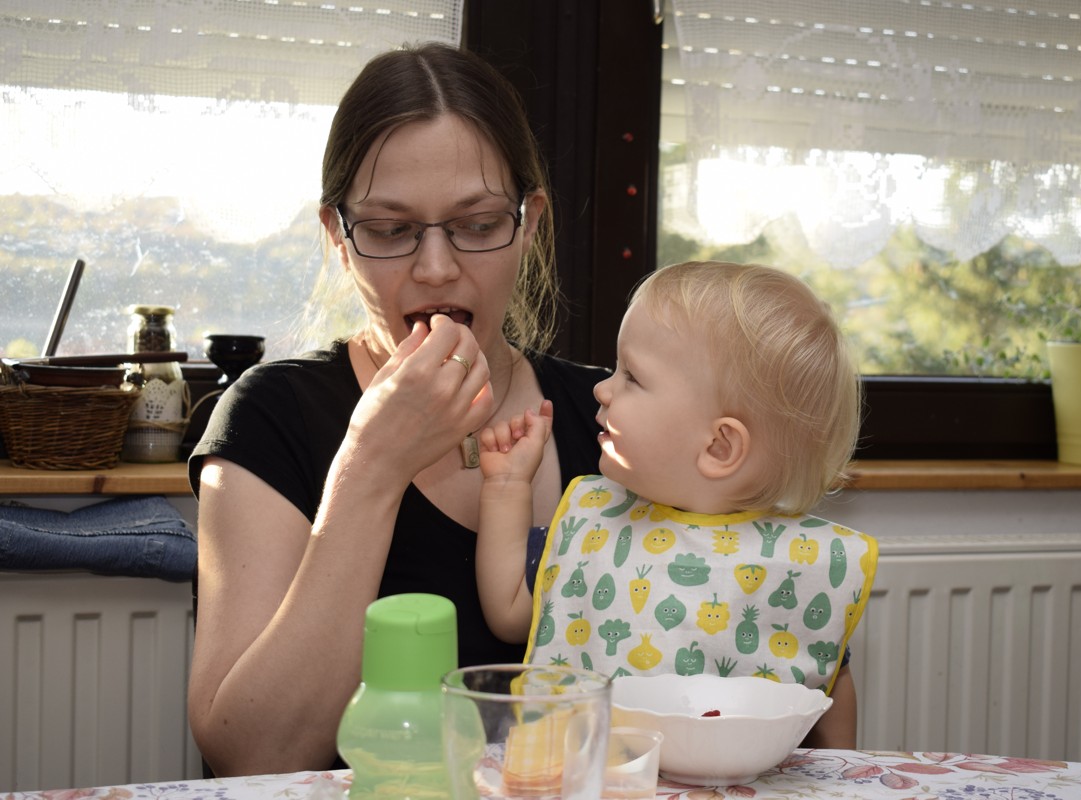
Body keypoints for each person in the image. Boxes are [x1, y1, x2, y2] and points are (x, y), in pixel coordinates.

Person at [186, 42, 608, 776]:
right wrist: (372, 465)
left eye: (479, 224)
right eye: (390, 230)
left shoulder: (613, 418)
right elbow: (250, 757)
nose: (436, 268)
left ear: (530, 222)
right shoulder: (269, 416)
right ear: (338, 237)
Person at [476, 260, 877, 749]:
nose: (602, 388)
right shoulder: (592, 522)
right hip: (592, 777)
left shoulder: (804, 571)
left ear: (719, 447)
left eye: (632, 377)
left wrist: (839, 774)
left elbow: (829, 689)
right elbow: (508, 611)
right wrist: (506, 485)